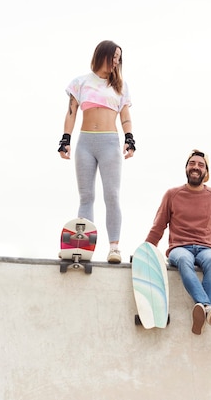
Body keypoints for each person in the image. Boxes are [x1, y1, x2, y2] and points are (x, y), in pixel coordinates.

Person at [145, 150, 211, 335]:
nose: (196, 167)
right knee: (183, 260)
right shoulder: (172, 194)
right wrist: (146, 251)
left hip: (207, 248)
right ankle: (207, 307)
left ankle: (203, 310)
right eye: (192, 163)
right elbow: (158, 226)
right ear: (186, 168)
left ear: (206, 171)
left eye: (200, 165)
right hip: (180, 247)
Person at [58, 40, 136, 264]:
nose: (116, 61)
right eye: (114, 56)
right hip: (85, 143)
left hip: (110, 143)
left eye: (119, 58)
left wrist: (129, 138)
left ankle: (114, 248)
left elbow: (125, 116)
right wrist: (66, 139)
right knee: (86, 196)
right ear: (103, 54)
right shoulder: (80, 82)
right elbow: (71, 113)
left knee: (111, 195)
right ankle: (82, 246)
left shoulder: (120, 86)